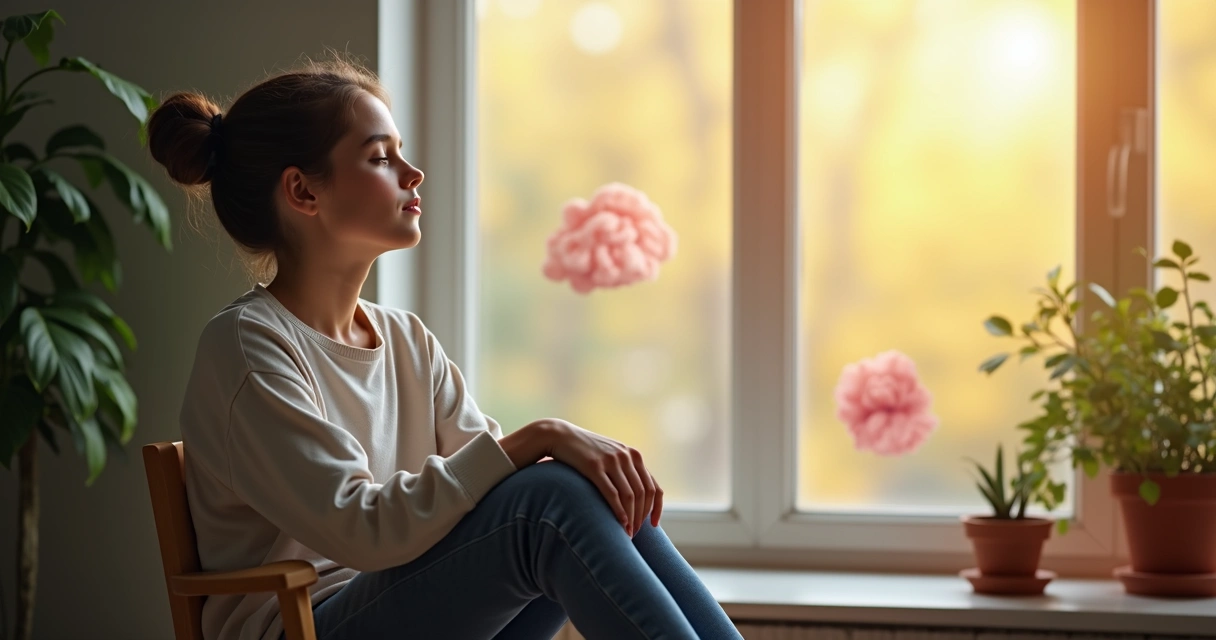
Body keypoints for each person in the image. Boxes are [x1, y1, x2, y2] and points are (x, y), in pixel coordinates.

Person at [148, 55, 742, 640]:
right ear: (303, 191)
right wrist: (542, 435)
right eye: (381, 157)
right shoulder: (249, 347)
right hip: (307, 624)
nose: (413, 173)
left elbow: (492, 490)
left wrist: (558, 452)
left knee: (583, 489)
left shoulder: (406, 341)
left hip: (406, 605)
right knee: (549, 502)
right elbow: (363, 529)